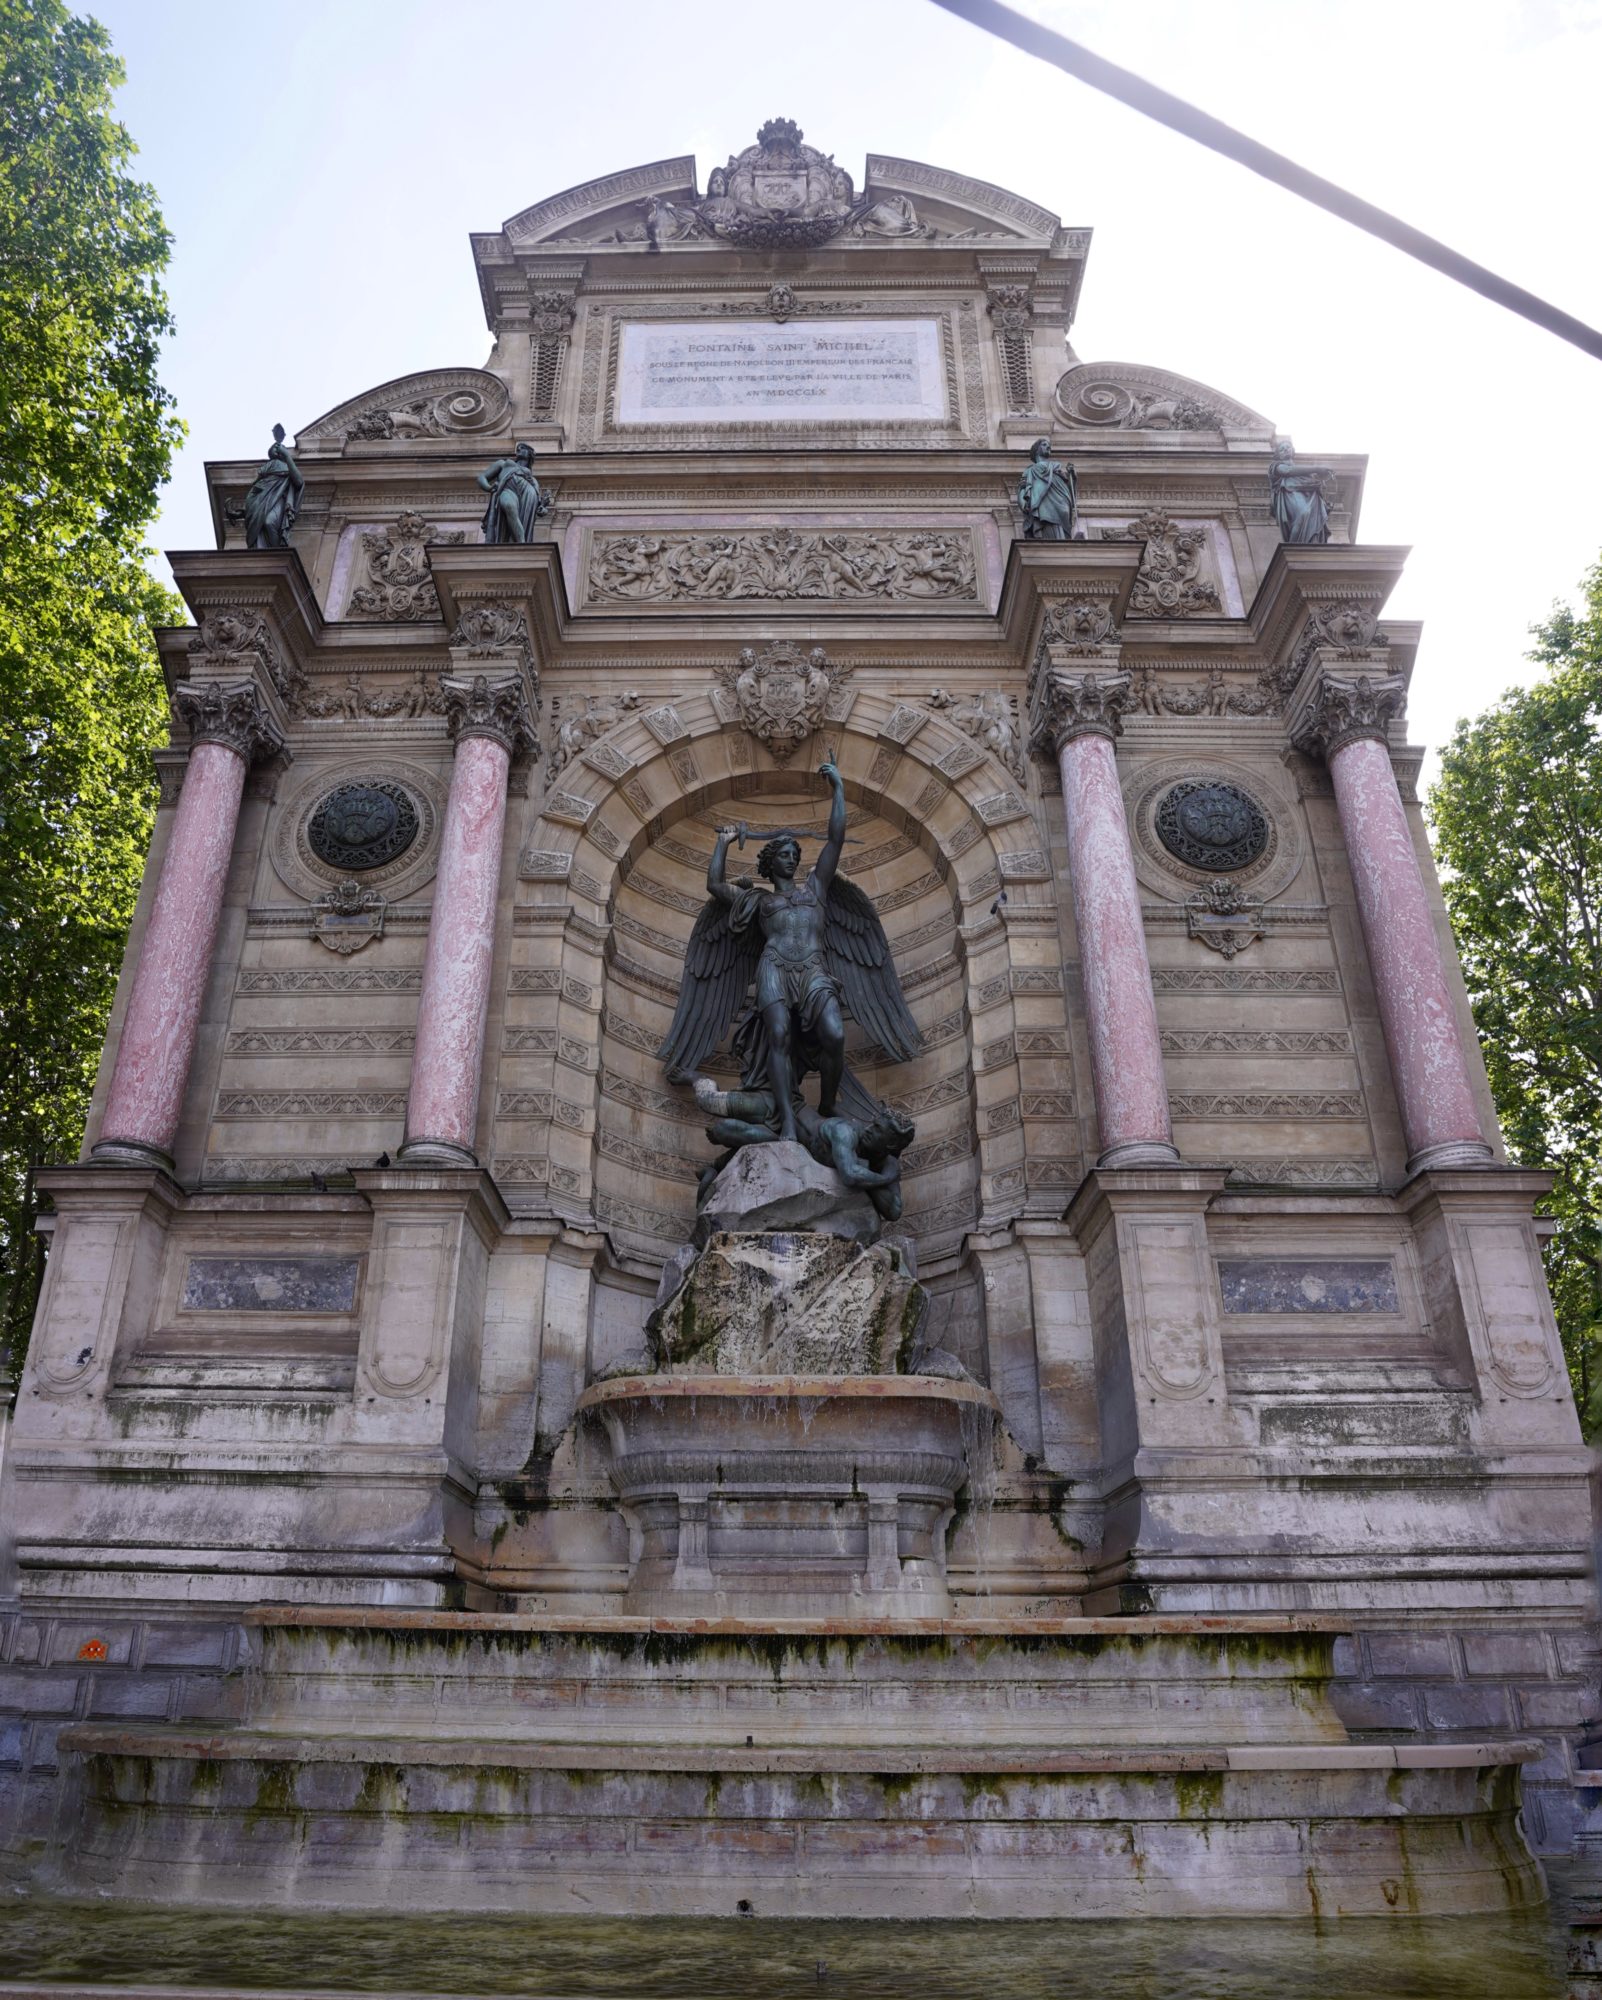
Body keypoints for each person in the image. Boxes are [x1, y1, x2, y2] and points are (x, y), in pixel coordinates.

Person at [705, 760, 848, 1140]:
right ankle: (786, 1122)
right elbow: (716, 886)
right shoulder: (758, 902)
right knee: (779, 1036)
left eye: (794, 853)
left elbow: (835, 839)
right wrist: (722, 842)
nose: (791, 857)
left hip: (812, 968)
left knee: (834, 1034)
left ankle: (828, 1103)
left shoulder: (815, 888)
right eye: (783, 853)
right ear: (770, 864)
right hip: (774, 968)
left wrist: (838, 789)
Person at [242, 424, 303, 550]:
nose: (276, 449)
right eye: (274, 449)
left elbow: (299, 481)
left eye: (279, 449)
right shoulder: (268, 466)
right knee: (261, 526)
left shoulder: (288, 466)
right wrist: (245, 509)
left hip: (277, 498)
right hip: (260, 497)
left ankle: (275, 553)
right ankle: (264, 552)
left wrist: (287, 456)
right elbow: (256, 484)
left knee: (269, 522)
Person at [478, 440, 549, 544]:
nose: (518, 449)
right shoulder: (504, 463)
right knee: (509, 506)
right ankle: (522, 543)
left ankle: (520, 543)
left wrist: (542, 508)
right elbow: (482, 477)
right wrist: (489, 487)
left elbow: (539, 505)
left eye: (522, 447)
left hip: (527, 496)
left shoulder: (532, 479)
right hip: (508, 490)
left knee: (519, 518)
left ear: (529, 454)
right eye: (518, 448)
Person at [1268, 441, 1332, 545]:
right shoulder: (1275, 466)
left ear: (1292, 450)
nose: (1285, 449)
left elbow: (1315, 485)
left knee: (1312, 519)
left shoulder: (1305, 473)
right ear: (1278, 454)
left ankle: (1311, 544)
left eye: (1288, 447)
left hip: (1310, 497)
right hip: (1289, 493)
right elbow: (1287, 471)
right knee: (1304, 513)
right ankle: (1294, 549)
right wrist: (1316, 469)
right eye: (1282, 449)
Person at [1017, 437, 1077, 541]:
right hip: (1044, 502)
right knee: (1049, 525)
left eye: (1048, 445)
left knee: (1062, 526)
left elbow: (1068, 487)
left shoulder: (1056, 467)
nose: (1048, 447)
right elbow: (1022, 488)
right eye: (1044, 445)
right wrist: (1023, 504)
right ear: (1036, 450)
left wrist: (1072, 476)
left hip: (1062, 500)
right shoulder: (1030, 470)